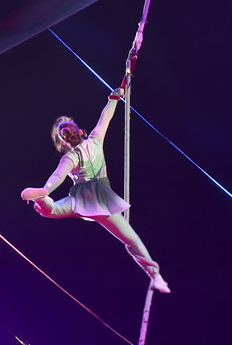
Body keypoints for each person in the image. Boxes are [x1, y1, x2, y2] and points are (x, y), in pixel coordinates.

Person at [21, 88, 170, 293]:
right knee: (130, 239)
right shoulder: (76, 153)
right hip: (88, 199)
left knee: (129, 238)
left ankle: (155, 276)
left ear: (79, 131)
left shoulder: (91, 142)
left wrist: (114, 98)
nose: (68, 133)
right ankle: (41, 198)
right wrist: (45, 189)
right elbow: (58, 176)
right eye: (64, 133)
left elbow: (105, 117)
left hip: (91, 200)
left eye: (69, 129)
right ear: (64, 141)